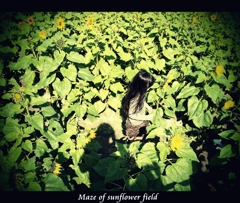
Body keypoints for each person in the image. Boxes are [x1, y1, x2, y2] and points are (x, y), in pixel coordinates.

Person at [122, 69, 155, 142]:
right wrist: (147, 117)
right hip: (134, 124)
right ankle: (130, 141)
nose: (149, 89)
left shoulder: (138, 92)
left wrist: (146, 106)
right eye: (148, 87)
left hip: (140, 120)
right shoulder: (134, 99)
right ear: (142, 87)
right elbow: (131, 115)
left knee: (143, 133)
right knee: (135, 140)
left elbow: (142, 101)